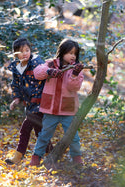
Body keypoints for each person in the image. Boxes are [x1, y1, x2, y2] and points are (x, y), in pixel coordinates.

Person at [30, 38, 84, 166]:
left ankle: (77, 160)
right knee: (44, 136)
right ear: (62, 52)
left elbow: (74, 87)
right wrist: (49, 71)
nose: (73, 56)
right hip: (50, 109)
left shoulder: (76, 68)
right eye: (70, 52)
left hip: (68, 109)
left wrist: (75, 74)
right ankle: (35, 158)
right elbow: (37, 73)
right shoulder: (50, 63)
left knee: (73, 137)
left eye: (75, 53)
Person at [5, 37, 53, 165]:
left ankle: (18, 156)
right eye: (21, 51)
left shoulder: (36, 64)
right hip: (30, 105)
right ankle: (52, 154)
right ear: (16, 54)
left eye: (27, 50)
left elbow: (43, 78)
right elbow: (15, 85)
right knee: (39, 131)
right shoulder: (17, 68)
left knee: (25, 129)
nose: (25, 53)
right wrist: (16, 99)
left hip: (40, 102)